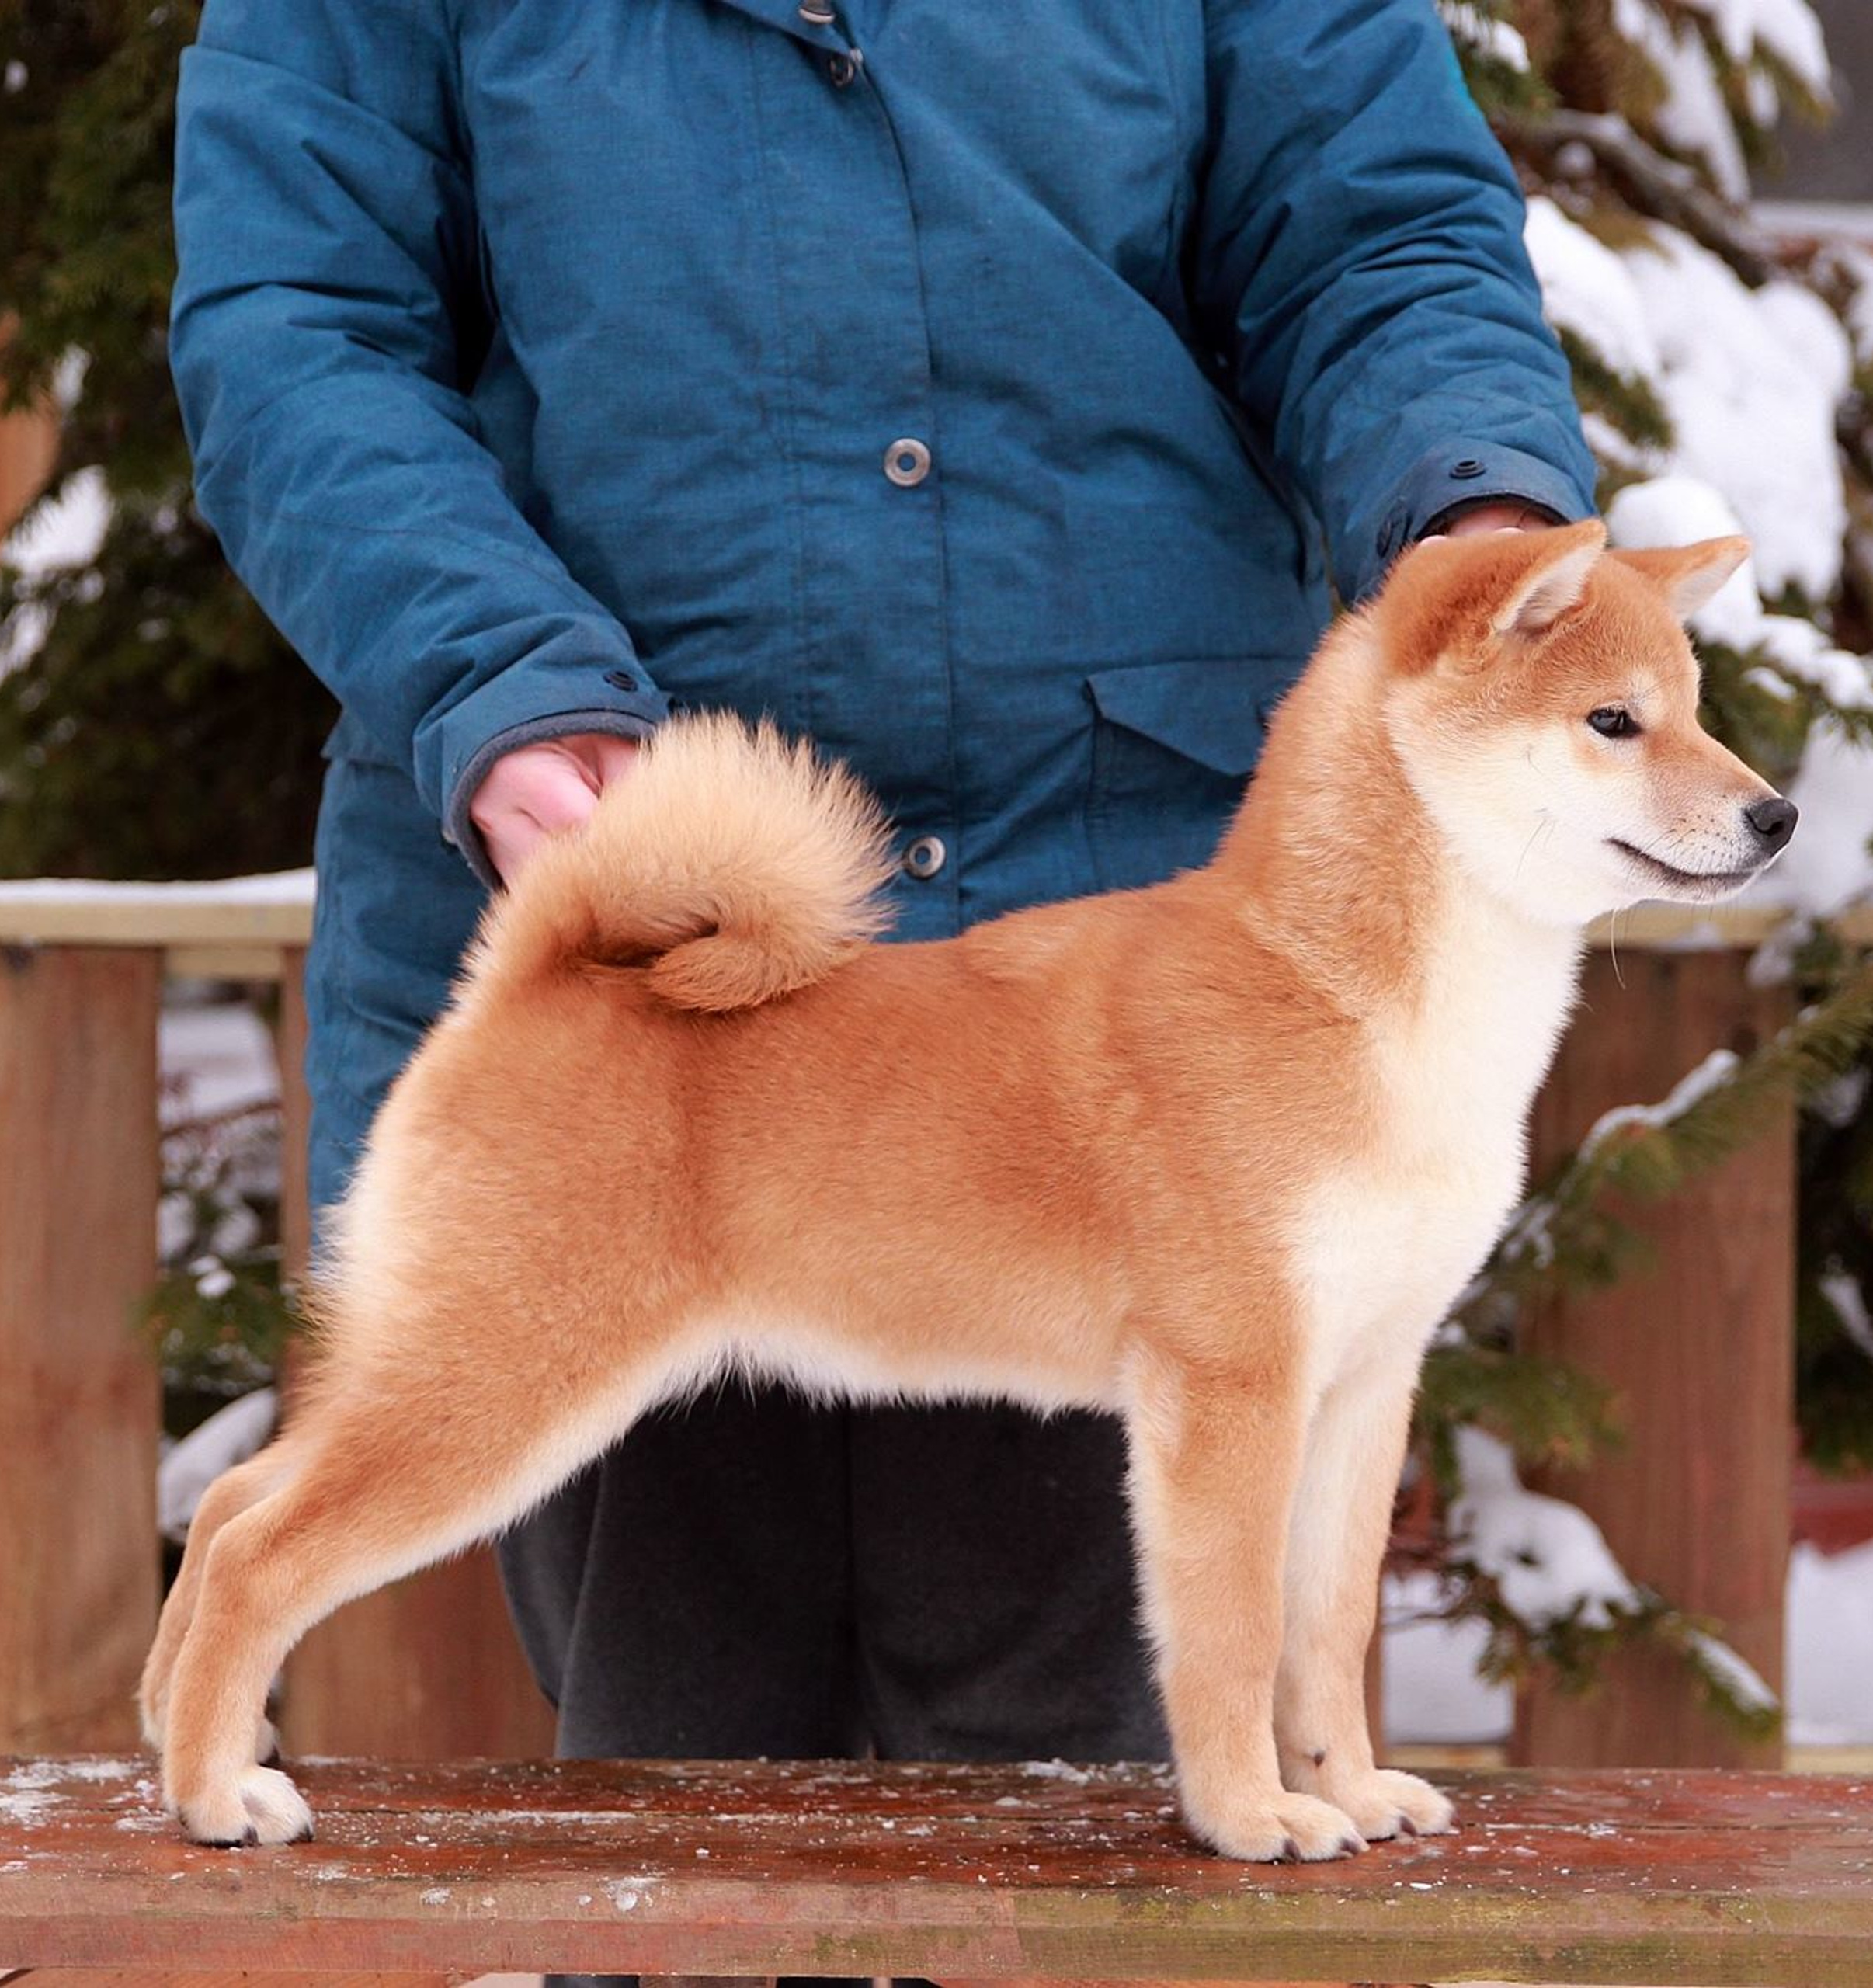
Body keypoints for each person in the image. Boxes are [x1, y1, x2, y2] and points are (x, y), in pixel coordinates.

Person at [170, 0, 1592, 1972]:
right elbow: (295, 322)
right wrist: (498, 692)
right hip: (622, 972)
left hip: (1126, 1005)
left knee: (1082, 1883)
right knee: (678, 1840)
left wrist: (1476, 514)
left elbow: (1369, 227)